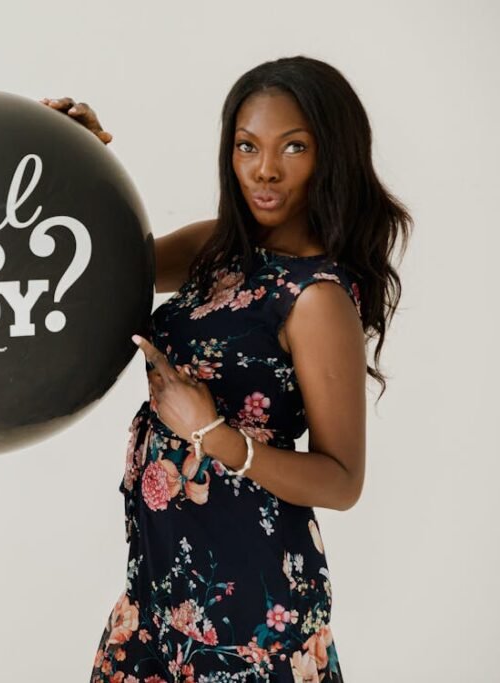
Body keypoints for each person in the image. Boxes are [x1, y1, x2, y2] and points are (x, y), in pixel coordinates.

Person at [45, 55, 411, 682]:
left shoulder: (316, 297)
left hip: (250, 620)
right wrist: (78, 159)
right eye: (247, 146)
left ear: (333, 154)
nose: (265, 170)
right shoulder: (218, 247)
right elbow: (102, 264)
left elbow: (343, 480)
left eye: (293, 147)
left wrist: (212, 435)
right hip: (156, 602)